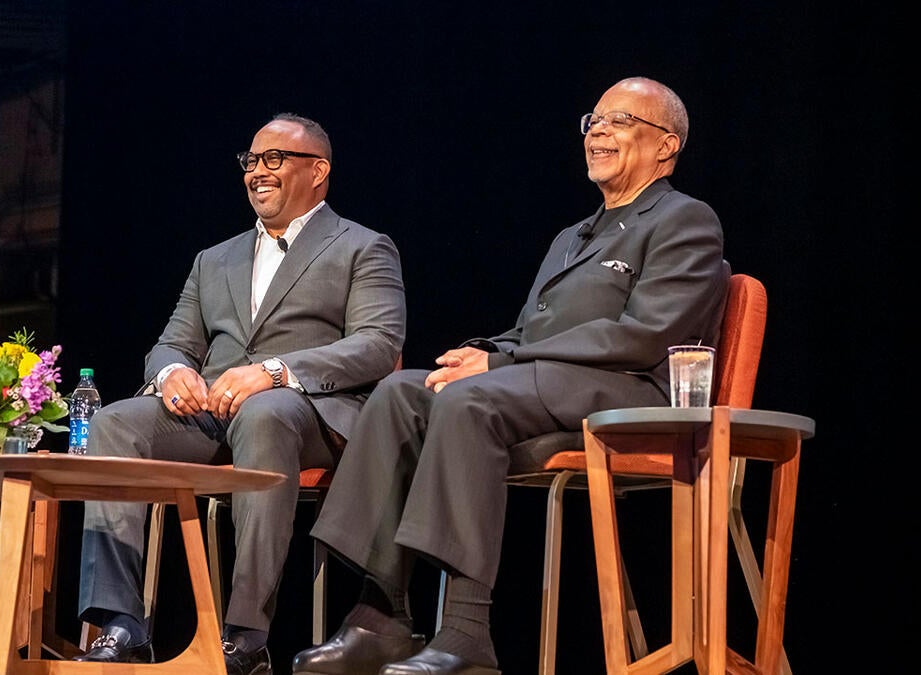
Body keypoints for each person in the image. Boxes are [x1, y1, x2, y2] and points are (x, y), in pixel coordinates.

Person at [291, 76, 727, 675]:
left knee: (472, 402)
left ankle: (468, 633)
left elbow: (646, 334)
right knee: (400, 393)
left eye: (620, 121)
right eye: (593, 120)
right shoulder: (571, 237)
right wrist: (484, 350)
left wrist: (501, 364)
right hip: (546, 383)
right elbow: (530, 334)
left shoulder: (685, 220)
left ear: (666, 146)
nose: (598, 131)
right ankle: (381, 616)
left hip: (629, 389)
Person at [74, 113, 406, 675]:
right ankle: (120, 623)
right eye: (251, 161)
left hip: (308, 414)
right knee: (113, 424)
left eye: (275, 159)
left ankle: (245, 634)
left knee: (265, 413)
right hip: (213, 415)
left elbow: (378, 344)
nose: (258, 171)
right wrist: (173, 373)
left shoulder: (363, 246)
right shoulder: (215, 259)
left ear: (318, 171)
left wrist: (275, 371)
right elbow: (171, 343)